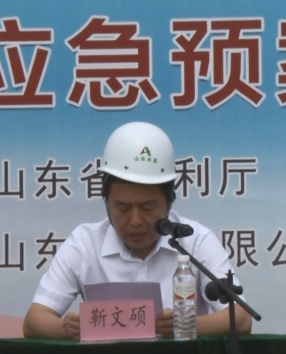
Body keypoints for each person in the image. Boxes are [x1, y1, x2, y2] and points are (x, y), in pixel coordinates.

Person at [23, 121, 252, 340]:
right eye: (122, 208)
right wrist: (65, 329)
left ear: (169, 202)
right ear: (106, 202)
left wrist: (187, 324)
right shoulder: (84, 245)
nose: (135, 221)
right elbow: (33, 321)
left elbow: (241, 318)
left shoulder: (196, 241)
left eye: (148, 208)